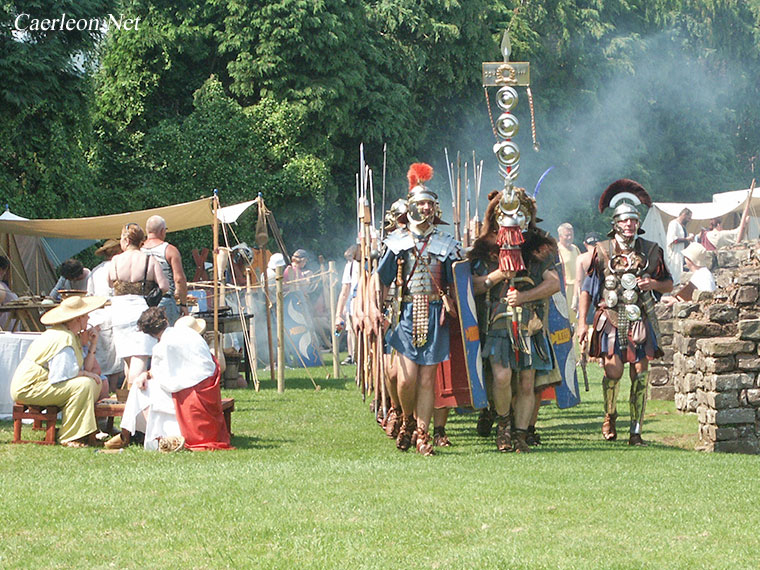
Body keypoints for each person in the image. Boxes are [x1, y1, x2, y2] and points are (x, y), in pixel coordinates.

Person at [371, 162, 461, 456]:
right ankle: (408, 419)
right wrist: (375, 310)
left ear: (436, 208)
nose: (425, 208)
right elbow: (380, 280)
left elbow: (456, 282)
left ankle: (422, 435)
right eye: (420, 202)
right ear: (411, 206)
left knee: (427, 379)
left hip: (435, 313)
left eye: (430, 203)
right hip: (406, 313)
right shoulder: (396, 242)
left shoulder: (446, 244)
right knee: (407, 378)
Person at [578, 179, 673, 446]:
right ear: (615, 223)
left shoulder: (652, 251)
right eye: (624, 220)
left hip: (640, 319)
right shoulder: (601, 252)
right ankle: (609, 416)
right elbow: (587, 289)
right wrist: (582, 324)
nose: (629, 225)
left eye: (633, 220)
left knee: (641, 374)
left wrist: (652, 284)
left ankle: (636, 430)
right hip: (609, 318)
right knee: (613, 372)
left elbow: (669, 283)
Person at [469, 187, 561, 453]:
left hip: (529, 322)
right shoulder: (484, 247)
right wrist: (498, 274)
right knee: (501, 376)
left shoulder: (539, 247)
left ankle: (520, 435)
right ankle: (503, 425)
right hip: (498, 322)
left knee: (526, 382)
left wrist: (524, 297)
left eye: (520, 212)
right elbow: (471, 287)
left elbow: (553, 284)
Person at [106, 308, 232, 451]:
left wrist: (146, 377)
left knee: (139, 389)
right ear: (165, 320)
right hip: (208, 391)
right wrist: (147, 374)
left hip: (192, 396)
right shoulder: (189, 333)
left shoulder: (162, 347)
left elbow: (166, 382)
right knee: (143, 385)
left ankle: (132, 434)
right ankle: (129, 432)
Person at [10, 295, 107, 447]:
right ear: (78, 318)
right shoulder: (63, 337)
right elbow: (61, 375)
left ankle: (81, 431)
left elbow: (86, 369)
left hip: (39, 384)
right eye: (86, 315)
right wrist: (86, 374)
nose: (89, 317)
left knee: (93, 382)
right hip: (29, 387)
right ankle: (70, 436)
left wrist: (91, 345)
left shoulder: (70, 336)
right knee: (84, 385)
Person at [108, 223, 169, 388]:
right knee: (140, 358)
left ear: (126, 240)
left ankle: (130, 400)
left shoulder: (115, 260)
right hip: (140, 309)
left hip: (119, 310)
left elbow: (110, 281)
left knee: (129, 361)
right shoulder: (149, 260)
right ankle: (135, 401)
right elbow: (164, 286)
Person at [87, 238, 123, 390]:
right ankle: (112, 388)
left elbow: (89, 295)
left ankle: (102, 386)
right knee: (113, 354)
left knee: (101, 353)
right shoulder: (119, 268)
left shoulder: (95, 270)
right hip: (114, 312)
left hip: (97, 314)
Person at [142, 215, 188, 325]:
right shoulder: (169, 250)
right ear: (162, 231)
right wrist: (183, 304)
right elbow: (179, 279)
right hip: (165, 301)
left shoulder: (138, 250)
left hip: (143, 301)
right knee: (168, 337)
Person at [335, 244, 360, 365]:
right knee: (350, 330)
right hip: (353, 301)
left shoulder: (369, 264)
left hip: (365, 300)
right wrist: (338, 314)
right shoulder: (349, 267)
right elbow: (344, 291)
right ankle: (352, 355)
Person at [571, 232, 602, 320]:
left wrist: (575, 298)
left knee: (586, 320)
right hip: (602, 292)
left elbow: (578, 280)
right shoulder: (606, 256)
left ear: (585, 244)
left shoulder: (581, 258)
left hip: (587, 294)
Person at [557, 222, 581, 324]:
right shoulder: (557, 251)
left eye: (571, 235)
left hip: (577, 288)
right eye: (567, 235)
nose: (569, 237)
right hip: (565, 289)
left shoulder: (575, 248)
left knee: (578, 318)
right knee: (566, 318)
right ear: (560, 236)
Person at [666, 208, 693, 285]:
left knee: (679, 275)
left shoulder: (683, 227)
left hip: (681, 255)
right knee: (674, 274)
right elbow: (673, 240)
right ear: (684, 215)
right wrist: (686, 239)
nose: (689, 220)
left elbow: (685, 242)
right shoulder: (673, 224)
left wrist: (689, 240)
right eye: (689, 218)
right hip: (674, 254)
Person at [0, 255, 19, 330]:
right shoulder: (2, 287)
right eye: (4, 271)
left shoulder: (3, 285)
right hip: (6, 323)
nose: (4, 273)